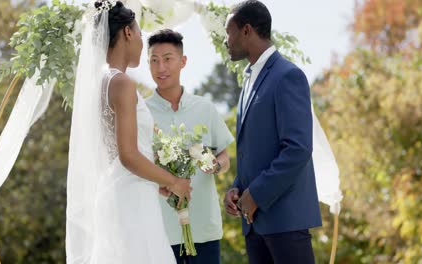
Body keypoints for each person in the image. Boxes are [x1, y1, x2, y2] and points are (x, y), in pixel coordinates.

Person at [66, 1, 191, 263]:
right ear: (127, 33)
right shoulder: (120, 83)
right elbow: (129, 155)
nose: (141, 42)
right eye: (140, 33)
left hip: (119, 193)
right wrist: (174, 182)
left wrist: (156, 180)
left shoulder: (99, 82)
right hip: (130, 201)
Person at [222, 1, 322, 263]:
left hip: (286, 222)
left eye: (228, 32)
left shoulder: (287, 75)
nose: (225, 40)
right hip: (254, 225)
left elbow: (298, 149)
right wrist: (236, 188)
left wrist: (255, 195)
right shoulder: (248, 80)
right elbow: (253, 150)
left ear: (246, 31)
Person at [146, 29, 234, 264]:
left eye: (167, 59)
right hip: (160, 230)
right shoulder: (141, 113)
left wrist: (216, 165)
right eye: (154, 60)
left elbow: (225, 155)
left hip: (204, 227)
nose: (160, 67)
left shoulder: (204, 108)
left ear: (183, 61)